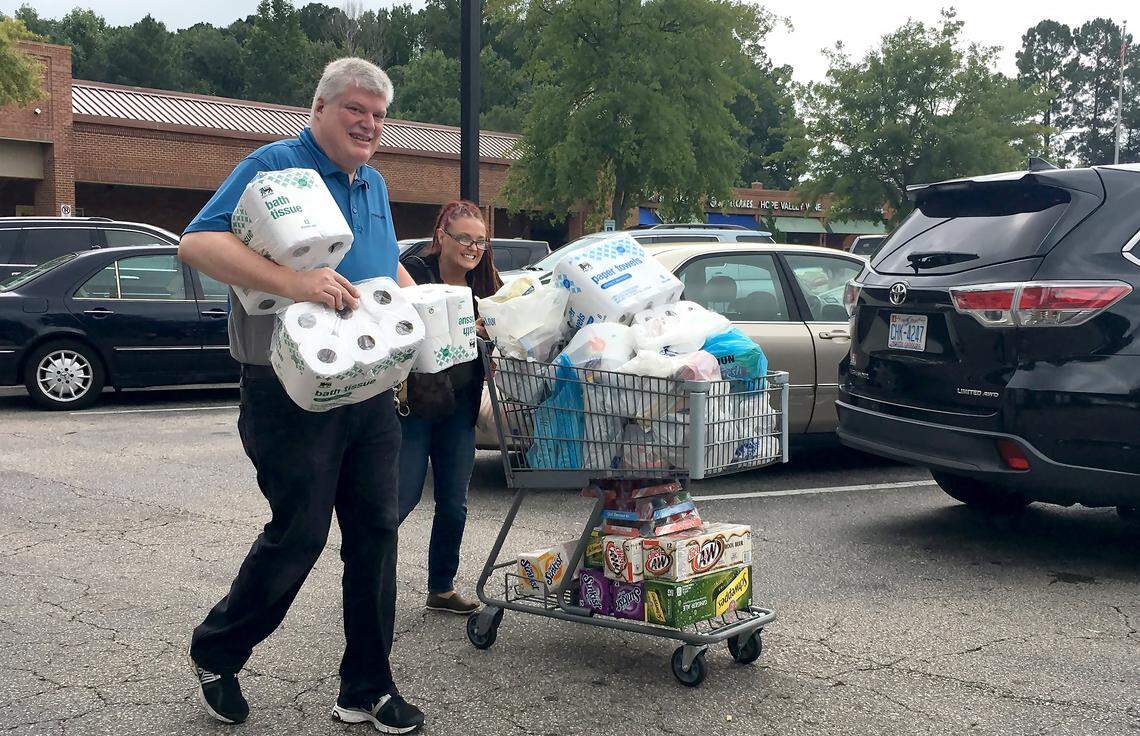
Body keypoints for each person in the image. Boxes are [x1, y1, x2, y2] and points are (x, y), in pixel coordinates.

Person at [179, 58, 424, 733]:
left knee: (376, 530)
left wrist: (424, 304)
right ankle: (217, 651)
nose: (369, 123)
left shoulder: (371, 182)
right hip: (287, 385)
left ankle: (366, 687)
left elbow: (381, 262)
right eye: (355, 108)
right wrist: (297, 284)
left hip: (367, 384)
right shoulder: (274, 166)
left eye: (378, 114)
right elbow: (197, 243)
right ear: (318, 107)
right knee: (301, 533)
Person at [398, 200, 501, 614]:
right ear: (442, 235)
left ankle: (441, 587)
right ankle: (369, 574)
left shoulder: (486, 286)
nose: (472, 248)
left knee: (454, 502)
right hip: (414, 404)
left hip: (459, 407)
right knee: (401, 498)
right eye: (464, 238)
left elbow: (501, 338)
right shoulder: (414, 274)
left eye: (480, 241)